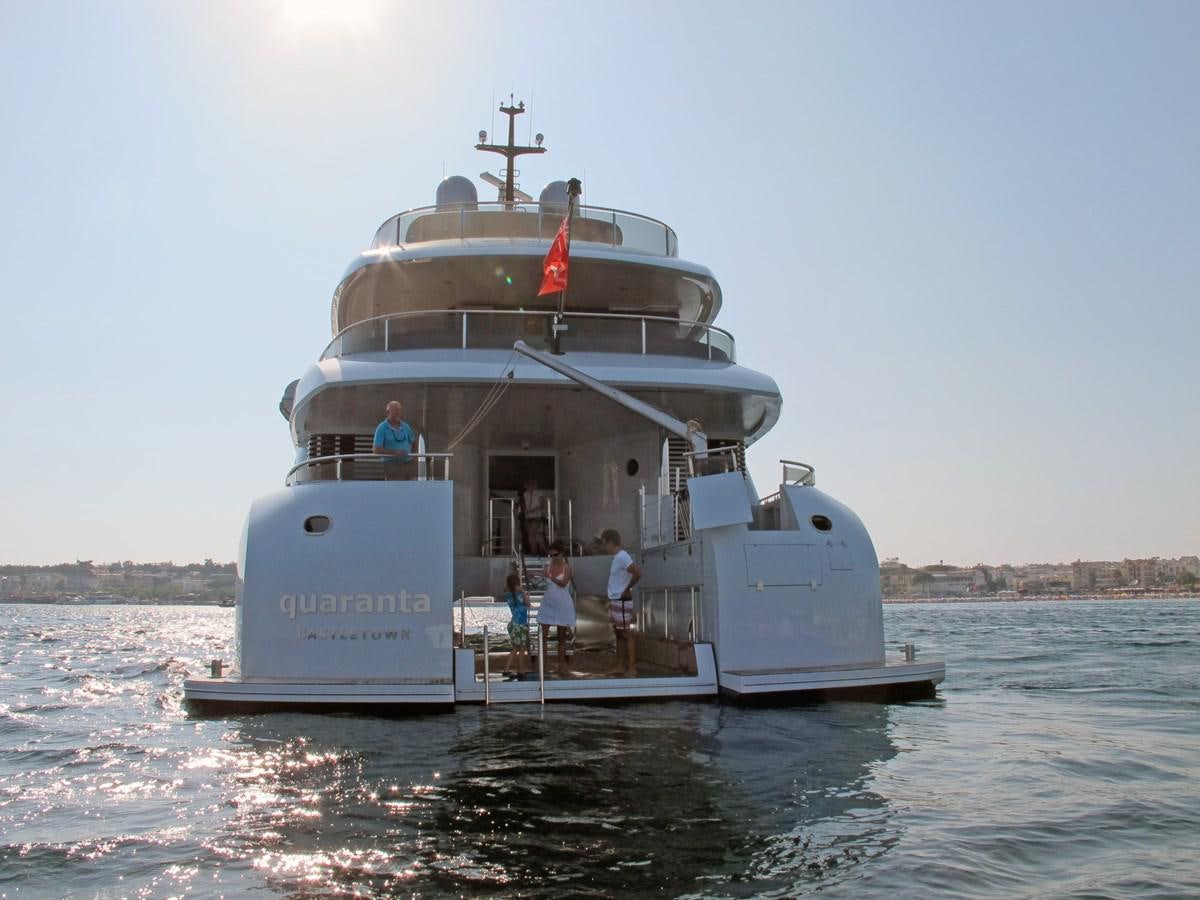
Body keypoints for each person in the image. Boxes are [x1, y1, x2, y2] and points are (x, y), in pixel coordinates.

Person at [602, 528, 641, 677]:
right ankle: (620, 666)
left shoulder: (623, 556)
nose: (605, 548)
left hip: (622, 600)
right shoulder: (617, 557)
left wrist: (627, 588)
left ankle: (632, 667)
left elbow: (637, 572)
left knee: (626, 634)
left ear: (610, 542)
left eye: (605, 544)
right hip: (616, 599)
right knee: (619, 634)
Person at [536, 540, 575, 676]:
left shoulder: (567, 567)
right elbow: (540, 577)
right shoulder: (548, 567)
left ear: (562, 554)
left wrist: (550, 577)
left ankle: (562, 665)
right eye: (551, 555)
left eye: (555, 555)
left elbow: (563, 583)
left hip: (562, 603)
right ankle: (543, 665)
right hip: (549, 603)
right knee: (543, 636)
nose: (553, 558)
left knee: (561, 637)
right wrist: (536, 576)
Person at [373, 400, 417, 481]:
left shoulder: (405, 426)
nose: (398, 413)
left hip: (408, 464)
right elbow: (376, 450)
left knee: (410, 486)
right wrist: (395, 452)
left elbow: (414, 441)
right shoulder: (381, 428)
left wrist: (413, 457)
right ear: (388, 412)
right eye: (396, 410)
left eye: (400, 410)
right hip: (391, 465)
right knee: (396, 487)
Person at [502, 574, 531, 675]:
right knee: (521, 648)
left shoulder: (508, 595)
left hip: (513, 624)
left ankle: (507, 669)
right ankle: (520, 669)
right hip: (521, 625)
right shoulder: (520, 595)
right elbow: (528, 604)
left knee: (515, 648)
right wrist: (523, 592)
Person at [520, 478, 547, 555]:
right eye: (527, 486)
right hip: (528, 516)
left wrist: (532, 510)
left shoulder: (539, 493)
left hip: (536, 515)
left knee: (532, 533)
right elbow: (525, 504)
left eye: (530, 486)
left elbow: (542, 505)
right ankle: (538, 548)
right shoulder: (525, 494)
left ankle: (534, 549)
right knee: (531, 534)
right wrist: (525, 510)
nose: (529, 488)